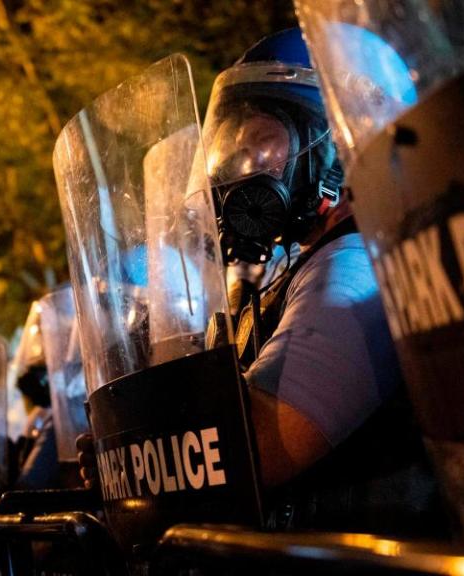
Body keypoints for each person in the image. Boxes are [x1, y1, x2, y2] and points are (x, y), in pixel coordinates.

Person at [81, 28, 444, 536]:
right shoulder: (296, 269)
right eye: (233, 144)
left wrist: (144, 441)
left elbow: (262, 448)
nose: (237, 166)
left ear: (340, 146)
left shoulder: (356, 263)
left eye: (261, 139)